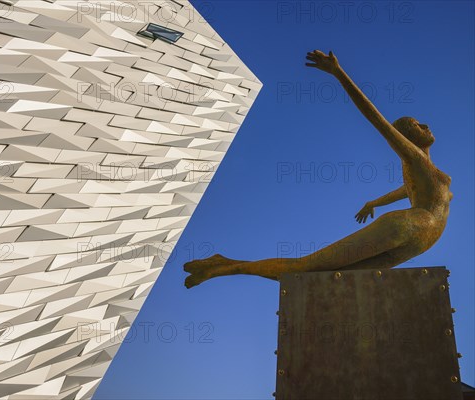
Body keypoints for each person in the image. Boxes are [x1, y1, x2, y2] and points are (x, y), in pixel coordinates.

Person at [183, 50, 452, 289]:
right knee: (305, 268)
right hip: (408, 227)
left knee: (323, 280)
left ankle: (224, 262)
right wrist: (338, 73)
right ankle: (226, 268)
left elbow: (407, 190)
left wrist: (374, 201)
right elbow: (376, 119)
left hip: (418, 240)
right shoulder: (414, 158)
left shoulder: (424, 170)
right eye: (417, 124)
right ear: (406, 136)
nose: (426, 125)